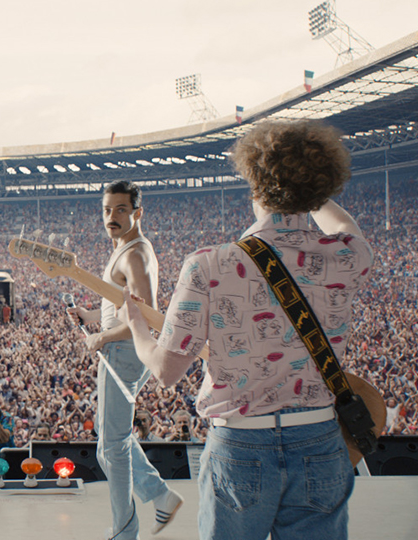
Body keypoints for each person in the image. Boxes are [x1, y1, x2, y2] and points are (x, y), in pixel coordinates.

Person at [118, 120, 372, 540]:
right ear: (318, 189)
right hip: (320, 438)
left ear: (255, 187)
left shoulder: (209, 264)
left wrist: (136, 326)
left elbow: (165, 371)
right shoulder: (344, 256)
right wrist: (311, 192)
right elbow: (345, 226)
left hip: (240, 445)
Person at [69, 180, 183, 539]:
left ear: (137, 212)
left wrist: (102, 336)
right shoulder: (125, 248)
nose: (111, 217)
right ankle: (160, 496)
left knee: (112, 447)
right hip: (120, 350)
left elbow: (145, 315)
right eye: (106, 210)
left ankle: (125, 529)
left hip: (122, 352)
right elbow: (123, 305)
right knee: (110, 437)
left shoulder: (134, 253)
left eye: (120, 209)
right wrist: (92, 316)